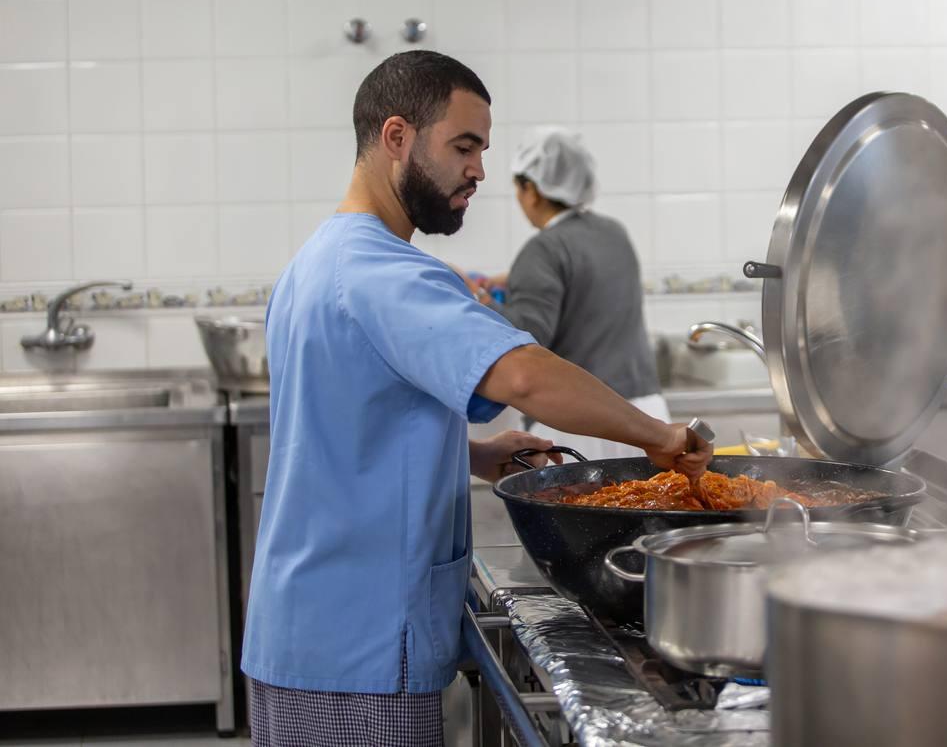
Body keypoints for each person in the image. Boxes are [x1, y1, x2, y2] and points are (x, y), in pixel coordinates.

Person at [241, 50, 711, 747]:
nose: (481, 171)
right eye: (464, 146)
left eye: (484, 149)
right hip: (359, 645)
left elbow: (345, 430)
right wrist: (661, 438)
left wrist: (479, 455)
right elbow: (523, 374)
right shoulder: (384, 273)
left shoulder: (319, 261)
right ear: (396, 137)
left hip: (310, 630)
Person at [477, 128, 667, 460]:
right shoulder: (613, 232)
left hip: (581, 425)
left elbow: (527, 339)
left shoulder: (543, 249)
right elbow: (588, 279)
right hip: (645, 418)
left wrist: (480, 300)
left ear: (532, 190)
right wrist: (520, 279)